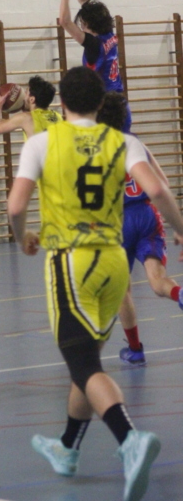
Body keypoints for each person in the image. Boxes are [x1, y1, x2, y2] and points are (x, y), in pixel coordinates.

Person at [8, 66, 183, 501]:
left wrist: (23, 236)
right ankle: (67, 448)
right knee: (84, 361)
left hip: (73, 262)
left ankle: (130, 439)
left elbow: (15, 206)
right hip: (114, 263)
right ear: (100, 102)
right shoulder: (123, 142)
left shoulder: (42, 142)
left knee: (84, 364)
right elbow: (159, 192)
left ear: (62, 103)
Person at [97, 91, 183, 365]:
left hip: (115, 223)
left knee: (122, 292)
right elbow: (163, 184)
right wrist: (178, 226)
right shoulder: (136, 144)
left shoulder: (96, 149)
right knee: (157, 280)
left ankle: (135, 350)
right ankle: (180, 294)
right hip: (146, 215)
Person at [60, 0, 132, 131]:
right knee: (123, 146)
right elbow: (84, 0)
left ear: (86, 24)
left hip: (104, 108)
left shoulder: (94, 45)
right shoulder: (108, 32)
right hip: (121, 105)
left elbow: (64, 22)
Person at [0, 75, 62, 139]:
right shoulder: (57, 116)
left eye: (26, 92)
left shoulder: (26, 118)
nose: (23, 96)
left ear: (32, 99)